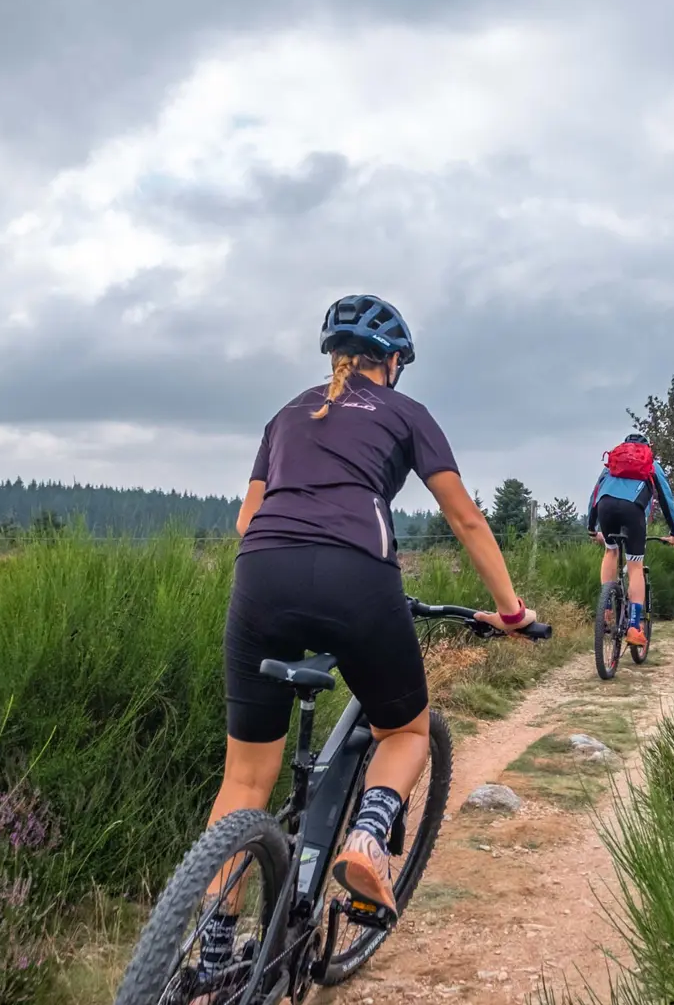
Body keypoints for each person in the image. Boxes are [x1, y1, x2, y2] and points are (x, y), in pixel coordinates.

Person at [209, 294, 538, 970]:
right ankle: (368, 833)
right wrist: (509, 612)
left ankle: (211, 956)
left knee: (245, 781)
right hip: (356, 577)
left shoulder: (287, 414)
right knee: (407, 731)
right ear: (393, 362)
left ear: (333, 358)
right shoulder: (406, 413)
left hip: (261, 576)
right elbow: (466, 519)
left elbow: (247, 521)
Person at [586, 433, 674, 647]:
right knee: (635, 566)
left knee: (611, 551)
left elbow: (595, 495)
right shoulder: (651, 464)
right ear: (648, 448)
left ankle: (606, 611)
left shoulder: (612, 462)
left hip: (605, 508)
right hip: (633, 511)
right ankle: (633, 626)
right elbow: (666, 500)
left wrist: (592, 529)